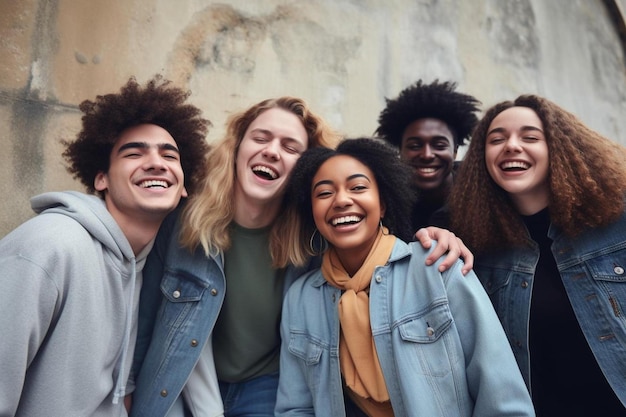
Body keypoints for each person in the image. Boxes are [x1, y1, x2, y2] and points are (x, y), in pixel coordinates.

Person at [130, 97, 474, 417]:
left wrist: (434, 234)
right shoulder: (182, 224)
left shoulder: (315, 237)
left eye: (289, 146)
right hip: (181, 377)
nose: (272, 152)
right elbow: (145, 321)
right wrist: (130, 390)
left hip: (266, 386)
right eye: (261, 138)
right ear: (237, 148)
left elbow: (375, 249)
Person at [275, 137, 534, 416]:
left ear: (383, 204)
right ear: (312, 212)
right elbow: (295, 408)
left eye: (358, 187)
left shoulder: (436, 265)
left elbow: (498, 389)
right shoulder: (300, 298)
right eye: (324, 193)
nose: (341, 200)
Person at [0, 75, 211, 416]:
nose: (157, 162)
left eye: (170, 156)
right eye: (134, 152)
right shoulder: (49, 247)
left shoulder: (140, 267)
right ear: (101, 178)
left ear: (183, 186)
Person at [447, 95, 626, 416]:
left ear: (559, 148)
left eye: (530, 137)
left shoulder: (617, 222)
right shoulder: (480, 248)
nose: (511, 146)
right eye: (496, 139)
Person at [375, 79, 480, 229]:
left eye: (439, 145)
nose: (427, 155)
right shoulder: (386, 201)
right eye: (415, 146)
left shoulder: (480, 193)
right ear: (400, 151)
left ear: (455, 151)